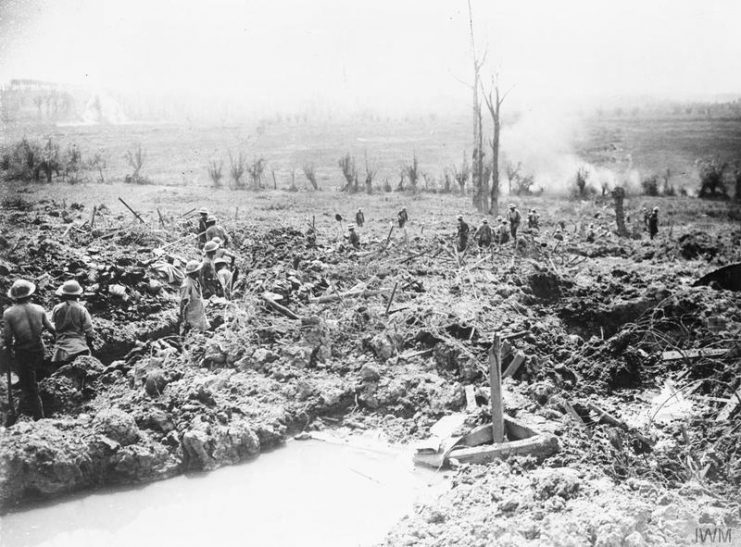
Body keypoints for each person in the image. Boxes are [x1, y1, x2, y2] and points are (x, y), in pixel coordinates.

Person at [2, 279, 55, 420]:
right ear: (30, 295)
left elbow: (7, 338)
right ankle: (27, 396)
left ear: (14, 296)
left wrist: (7, 347)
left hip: (23, 352)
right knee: (31, 377)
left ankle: (39, 417)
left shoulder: (9, 313)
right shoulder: (39, 309)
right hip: (39, 350)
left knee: (31, 387)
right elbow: (51, 328)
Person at [51, 280, 95, 365]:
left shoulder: (57, 308)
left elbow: (53, 325)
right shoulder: (82, 309)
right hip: (79, 348)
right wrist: (90, 344)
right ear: (78, 295)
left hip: (61, 350)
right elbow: (89, 330)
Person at [179, 261, 210, 334]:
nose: (200, 271)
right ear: (194, 272)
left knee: (202, 332)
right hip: (191, 316)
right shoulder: (186, 285)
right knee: (193, 336)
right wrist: (183, 320)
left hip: (198, 312)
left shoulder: (195, 280)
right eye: (198, 270)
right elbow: (183, 302)